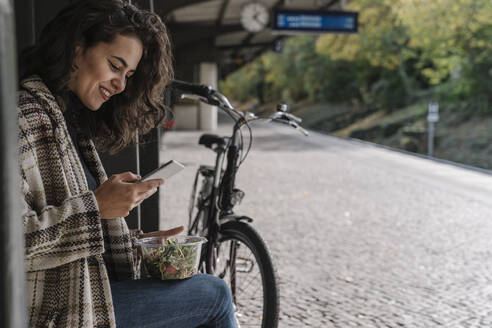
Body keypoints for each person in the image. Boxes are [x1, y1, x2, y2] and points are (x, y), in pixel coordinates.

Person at [17, 1, 237, 327]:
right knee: (215, 295)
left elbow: (78, 244)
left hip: (81, 295)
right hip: (55, 311)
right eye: (115, 65)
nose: (121, 85)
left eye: (129, 75)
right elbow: (13, 242)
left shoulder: (67, 122)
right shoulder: (24, 117)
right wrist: (97, 207)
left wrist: (139, 247)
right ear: (77, 49)